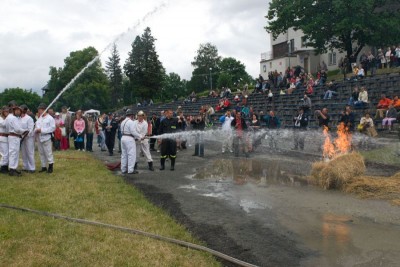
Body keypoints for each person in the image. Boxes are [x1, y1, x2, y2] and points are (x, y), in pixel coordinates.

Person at [5, 104, 26, 176]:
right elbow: (17, 129)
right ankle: (12, 169)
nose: (18, 111)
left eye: (18, 110)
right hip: (14, 136)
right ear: (13, 110)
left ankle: (13, 168)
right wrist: (25, 130)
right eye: (16, 110)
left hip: (11, 136)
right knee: (14, 153)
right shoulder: (13, 118)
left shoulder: (8, 117)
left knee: (12, 153)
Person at [35, 103, 56, 173]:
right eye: (38, 110)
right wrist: (36, 130)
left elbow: (52, 128)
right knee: (41, 153)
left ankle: (50, 166)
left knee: (48, 152)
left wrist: (42, 130)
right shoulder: (39, 118)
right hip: (39, 137)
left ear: (44, 110)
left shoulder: (50, 118)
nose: (39, 111)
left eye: (40, 110)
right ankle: (43, 166)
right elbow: (36, 126)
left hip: (46, 137)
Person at [120, 109, 142, 174]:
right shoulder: (131, 122)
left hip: (123, 138)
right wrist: (140, 136)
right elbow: (133, 132)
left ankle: (123, 169)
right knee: (131, 154)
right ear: (132, 115)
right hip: (129, 139)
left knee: (124, 155)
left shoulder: (123, 121)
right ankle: (130, 170)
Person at [19, 105, 35, 173]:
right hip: (21, 138)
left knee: (30, 152)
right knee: (23, 153)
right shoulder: (18, 118)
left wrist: (25, 134)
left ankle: (32, 168)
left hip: (29, 138)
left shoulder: (29, 118)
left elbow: (31, 129)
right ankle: (25, 166)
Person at [0, 106, 9, 174]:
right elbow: (3, 124)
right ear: (2, 111)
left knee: (7, 153)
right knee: (4, 154)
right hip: (2, 137)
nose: (7, 113)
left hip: (7, 137)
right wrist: (9, 118)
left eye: (8, 111)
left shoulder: (6, 118)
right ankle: (3, 167)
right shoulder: (0, 118)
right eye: (6, 111)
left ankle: (5, 167)